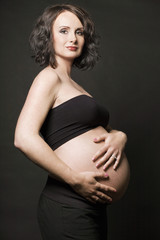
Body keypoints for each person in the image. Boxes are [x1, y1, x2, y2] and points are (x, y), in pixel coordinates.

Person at [14, 4, 130, 240]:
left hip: (91, 205)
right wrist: (74, 179)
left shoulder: (74, 86)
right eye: (64, 31)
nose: (73, 38)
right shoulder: (49, 76)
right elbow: (24, 138)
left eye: (79, 32)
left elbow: (91, 130)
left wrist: (120, 136)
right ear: (49, 36)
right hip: (68, 204)